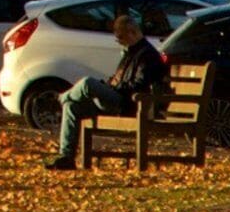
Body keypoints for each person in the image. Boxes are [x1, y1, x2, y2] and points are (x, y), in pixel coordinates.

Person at [49, 12, 166, 170]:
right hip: (116, 97)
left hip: (127, 103)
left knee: (87, 83)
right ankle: (66, 157)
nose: (119, 43)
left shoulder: (148, 55)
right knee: (71, 106)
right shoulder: (131, 52)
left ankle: (59, 99)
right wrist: (108, 85)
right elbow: (117, 79)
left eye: (121, 38)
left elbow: (139, 85)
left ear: (132, 32)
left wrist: (113, 88)